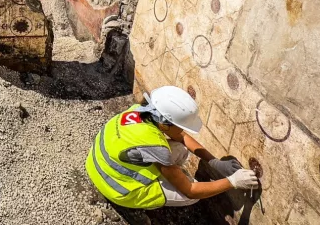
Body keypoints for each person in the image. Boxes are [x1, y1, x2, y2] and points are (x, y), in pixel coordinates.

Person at [86, 85, 259, 211]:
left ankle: (171, 177)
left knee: (180, 149)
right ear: (166, 125)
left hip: (97, 165)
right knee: (191, 197)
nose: (183, 130)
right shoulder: (156, 146)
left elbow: (182, 138)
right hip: (118, 188)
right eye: (180, 125)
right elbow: (191, 191)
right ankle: (134, 209)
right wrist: (232, 182)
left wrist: (214, 162)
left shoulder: (139, 111)